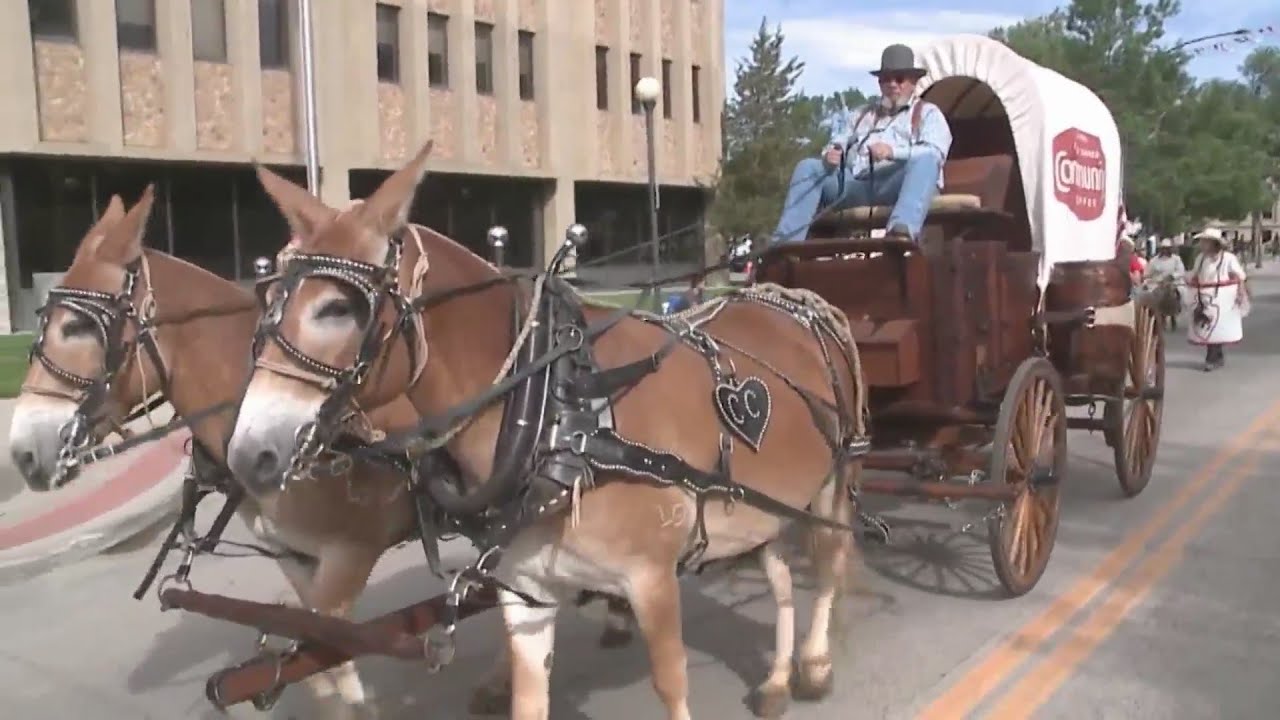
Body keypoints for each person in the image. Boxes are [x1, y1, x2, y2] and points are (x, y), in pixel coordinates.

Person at [771, 44, 952, 245]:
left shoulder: (928, 114)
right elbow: (838, 140)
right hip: (858, 184)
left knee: (927, 159)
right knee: (808, 167)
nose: (892, 84)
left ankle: (900, 233)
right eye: (885, 79)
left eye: (899, 78)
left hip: (898, 183)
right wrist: (831, 154)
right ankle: (785, 245)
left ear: (913, 82)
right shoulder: (861, 115)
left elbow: (935, 152)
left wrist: (893, 152)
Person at [1186, 227, 1249, 371]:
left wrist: (1240, 292)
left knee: (1217, 326)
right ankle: (1216, 356)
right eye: (1202, 241)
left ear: (1214, 243)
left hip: (1222, 299)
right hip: (1204, 296)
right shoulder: (1200, 259)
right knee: (1207, 326)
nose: (1202, 244)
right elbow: (1195, 274)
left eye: (1205, 242)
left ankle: (1212, 358)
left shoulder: (1228, 258)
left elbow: (1240, 276)